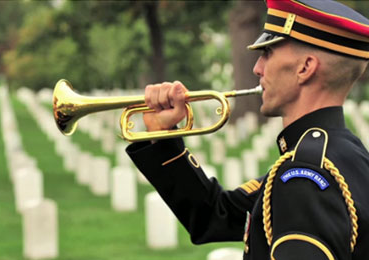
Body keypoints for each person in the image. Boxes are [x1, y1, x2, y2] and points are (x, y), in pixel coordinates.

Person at [126, 0, 369, 259]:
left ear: (305, 68)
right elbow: (216, 215)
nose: (257, 68)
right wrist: (164, 139)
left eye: (267, 53)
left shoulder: (303, 177)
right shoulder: (348, 155)